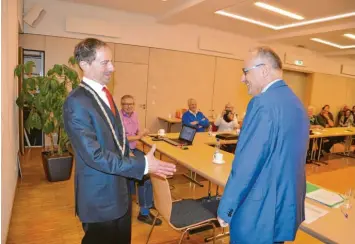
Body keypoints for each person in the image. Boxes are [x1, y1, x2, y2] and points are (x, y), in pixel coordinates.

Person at [63, 38, 176, 244]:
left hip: (119, 193)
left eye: (111, 61)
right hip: (101, 200)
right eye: (105, 62)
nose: (112, 68)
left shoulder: (104, 94)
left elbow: (117, 139)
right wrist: (141, 165)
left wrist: (137, 159)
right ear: (84, 65)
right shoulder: (76, 102)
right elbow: (94, 155)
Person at [217, 46, 309, 244]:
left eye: (245, 72)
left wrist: (227, 208)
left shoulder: (262, 103)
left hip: (258, 210)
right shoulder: (296, 103)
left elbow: (247, 164)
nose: (243, 79)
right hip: (284, 204)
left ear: (264, 70)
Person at [119, 94, 162, 226]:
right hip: (123, 151)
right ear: (122, 105)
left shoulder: (135, 115)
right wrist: (138, 136)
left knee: (150, 170)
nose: (129, 106)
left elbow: (136, 132)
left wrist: (143, 133)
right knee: (145, 176)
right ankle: (144, 212)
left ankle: (148, 203)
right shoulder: (118, 117)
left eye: (131, 103)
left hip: (133, 149)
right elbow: (122, 139)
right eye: (126, 104)